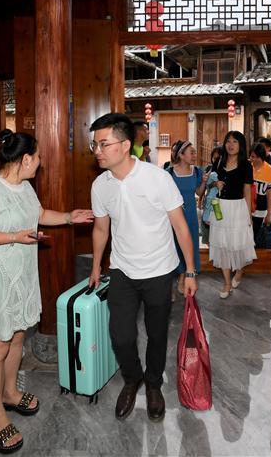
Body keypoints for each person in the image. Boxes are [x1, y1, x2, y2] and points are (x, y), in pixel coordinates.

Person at [0, 129, 94, 454]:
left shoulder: (24, 187)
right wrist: (12, 237)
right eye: (38, 157)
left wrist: (68, 217)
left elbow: (38, 215)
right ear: (25, 159)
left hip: (22, 278)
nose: (41, 162)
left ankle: (10, 392)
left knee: (18, 338)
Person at [87, 113, 198, 423]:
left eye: (103, 144)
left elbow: (181, 227)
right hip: (122, 270)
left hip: (160, 270)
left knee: (157, 333)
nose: (97, 151)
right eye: (94, 145)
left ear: (124, 145)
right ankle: (132, 378)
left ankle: (153, 383)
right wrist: (95, 266)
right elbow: (101, 229)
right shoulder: (100, 185)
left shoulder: (157, 178)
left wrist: (190, 271)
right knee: (121, 336)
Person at [209, 130, 256, 299]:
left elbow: (247, 191)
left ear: (241, 145)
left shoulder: (246, 165)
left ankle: (240, 270)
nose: (230, 145)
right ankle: (227, 283)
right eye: (228, 141)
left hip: (238, 208)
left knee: (239, 245)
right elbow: (210, 182)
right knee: (222, 246)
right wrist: (215, 183)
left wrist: (249, 215)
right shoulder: (219, 161)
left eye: (235, 141)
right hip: (220, 207)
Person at [166, 140, 207, 295]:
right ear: (181, 155)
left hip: (190, 216)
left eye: (195, 152)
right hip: (172, 217)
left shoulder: (196, 172)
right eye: (192, 153)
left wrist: (204, 182)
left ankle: (183, 279)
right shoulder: (169, 173)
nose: (195, 155)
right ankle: (169, 285)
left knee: (189, 247)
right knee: (173, 248)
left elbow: (199, 192)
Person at [249, 143, 271, 246]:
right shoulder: (247, 167)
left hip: (261, 211)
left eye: (255, 157)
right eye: (251, 156)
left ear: (261, 157)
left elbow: (269, 193)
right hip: (247, 209)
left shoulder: (269, 169)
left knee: (257, 239)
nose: (253, 159)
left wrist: (269, 213)